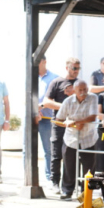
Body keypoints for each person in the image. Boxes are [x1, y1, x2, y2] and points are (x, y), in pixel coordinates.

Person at [55, 80, 98, 200]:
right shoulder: (68, 101)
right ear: (74, 91)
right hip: (71, 138)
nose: (83, 92)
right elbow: (59, 119)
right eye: (80, 90)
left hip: (88, 137)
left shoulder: (93, 98)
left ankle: (87, 193)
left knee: (89, 167)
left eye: (85, 89)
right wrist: (69, 124)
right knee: (69, 166)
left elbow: (93, 116)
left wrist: (77, 122)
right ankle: (67, 191)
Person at [43, 57, 80, 194]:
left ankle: (72, 184)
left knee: (73, 155)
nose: (76, 71)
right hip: (59, 123)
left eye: (78, 68)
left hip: (75, 124)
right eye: (74, 68)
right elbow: (46, 101)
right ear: (67, 68)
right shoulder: (56, 82)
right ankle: (54, 182)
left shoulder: (80, 84)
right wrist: (65, 107)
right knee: (56, 153)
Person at [37, 56, 58, 183]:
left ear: (44, 61)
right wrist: (34, 111)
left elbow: (56, 99)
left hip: (46, 118)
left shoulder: (54, 78)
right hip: (31, 118)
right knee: (26, 150)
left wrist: (41, 107)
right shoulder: (30, 77)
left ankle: (50, 177)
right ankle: (27, 177)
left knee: (48, 150)